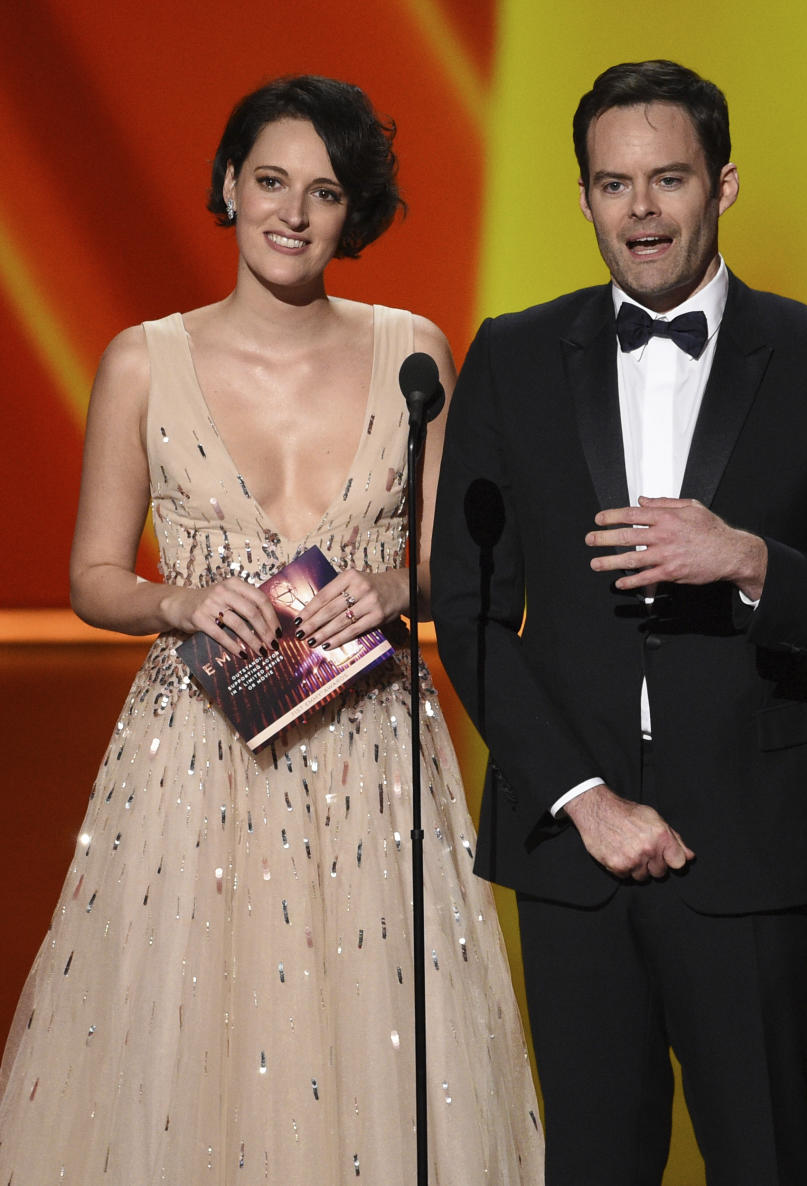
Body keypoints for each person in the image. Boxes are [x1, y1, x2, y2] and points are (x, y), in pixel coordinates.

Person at [0, 76, 542, 1185]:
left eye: (327, 192)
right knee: (187, 1045)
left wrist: (395, 586)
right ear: (227, 187)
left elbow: (458, 564)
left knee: (375, 1041)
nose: (294, 213)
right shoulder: (143, 361)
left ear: (356, 213)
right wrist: (176, 601)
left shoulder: (416, 350)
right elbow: (93, 577)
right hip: (195, 755)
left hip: (372, 753)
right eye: (271, 182)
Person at [430, 59, 807, 1186]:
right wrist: (582, 799)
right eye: (612, 184)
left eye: (668, 180)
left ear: (724, 184)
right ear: (587, 196)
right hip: (572, 847)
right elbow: (468, 610)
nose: (640, 211)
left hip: (752, 841)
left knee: (761, 1158)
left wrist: (749, 559)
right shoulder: (510, 353)